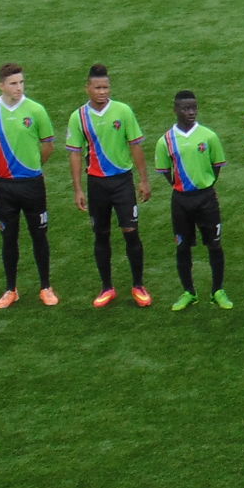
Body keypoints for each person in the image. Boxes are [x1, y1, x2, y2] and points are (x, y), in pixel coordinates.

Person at [66, 64, 153, 308]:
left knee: (131, 232)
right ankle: (107, 287)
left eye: (106, 87)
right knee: (101, 234)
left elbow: (135, 146)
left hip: (122, 182)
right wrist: (78, 189)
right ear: (87, 88)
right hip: (96, 184)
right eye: (97, 88)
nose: (102, 92)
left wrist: (144, 179)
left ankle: (138, 285)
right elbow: (75, 154)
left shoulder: (123, 111)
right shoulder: (79, 117)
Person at [0, 63, 59, 308]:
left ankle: (46, 287)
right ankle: (11, 289)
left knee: (39, 235)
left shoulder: (36, 110)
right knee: (8, 238)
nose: (19, 87)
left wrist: (33, 167)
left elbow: (48, 146)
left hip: (32, 184)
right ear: (1, 85)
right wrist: (2, 166)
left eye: (21, 82)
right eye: (13, 83)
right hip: (4, 187)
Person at [153, 91, 232, 310]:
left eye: (194, 108)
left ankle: (217, 291)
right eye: (186, 108)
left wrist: (204, 184)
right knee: (182, 247)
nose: (191, 112)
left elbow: (216, 166)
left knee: (214, 244)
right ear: (175, 110)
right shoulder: (165, 141)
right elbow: (165, 171)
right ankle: (189, 292)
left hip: (206, 198)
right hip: (180, 201)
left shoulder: (208, 136)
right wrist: (181, 186)